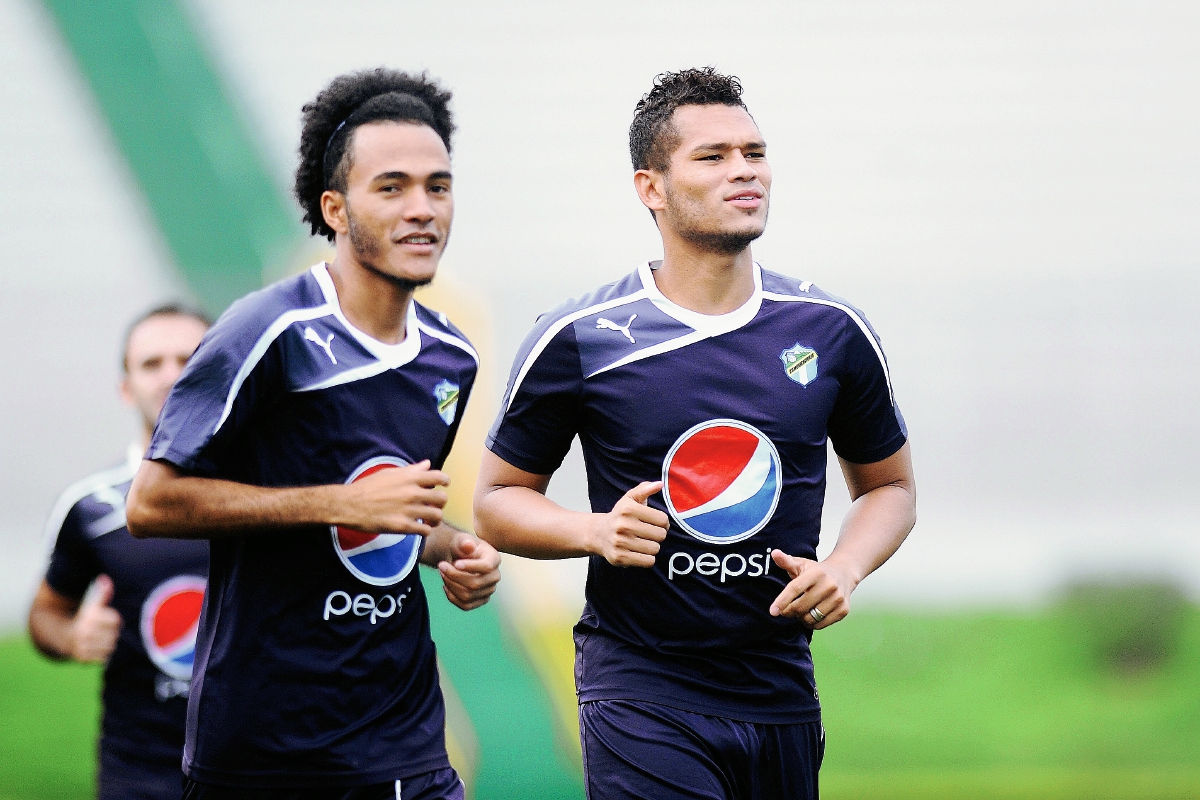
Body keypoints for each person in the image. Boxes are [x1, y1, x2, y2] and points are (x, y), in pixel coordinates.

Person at [474, 67, 917, 800]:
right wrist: (593, 532)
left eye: (754, 152)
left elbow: (891, 486)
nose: (744, 171)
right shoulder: (582, 337)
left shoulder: (831, 331)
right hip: (640, 686)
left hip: (779, 691)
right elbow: (495, 500)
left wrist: (844, 568)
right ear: (650, 187)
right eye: (712, 157)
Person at [124, 68, 501, 800]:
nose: (422, 209)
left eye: (438, 186)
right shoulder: (265, 331)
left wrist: (451, 547)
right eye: (391, 188)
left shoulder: (452, 356)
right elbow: (153, 505)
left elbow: (383, 511)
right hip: (267, 748)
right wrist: (339, 504)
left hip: (404, 739)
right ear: (335, 207)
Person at [29, 305, 212, 800]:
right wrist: (71, 636)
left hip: (267, 769)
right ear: (125, 387)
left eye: (189, 357)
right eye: (151, 363)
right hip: (140, 772)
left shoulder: (277, 493)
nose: (171, 374)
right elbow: (46, 614)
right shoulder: (93, 506)